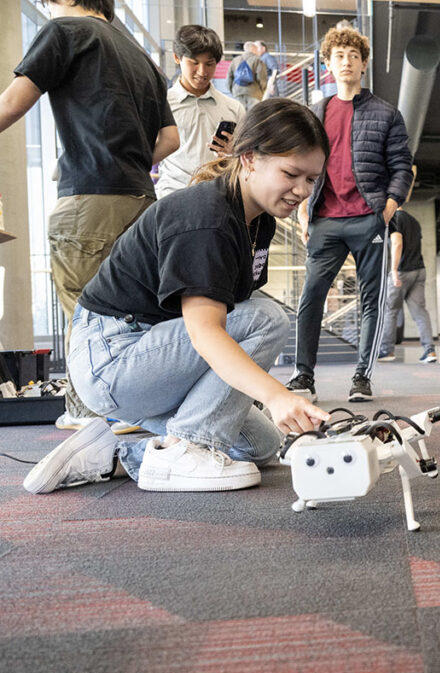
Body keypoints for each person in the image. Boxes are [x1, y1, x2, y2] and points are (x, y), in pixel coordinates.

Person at [22, 99, 331, 495]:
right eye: (291, 174)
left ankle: (112, 454)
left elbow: (223, 320)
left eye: (311, 179)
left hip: (156, 356)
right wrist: (276, 395)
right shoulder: (206, 217)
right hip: (112, 359)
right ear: (250, 158)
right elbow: (206, 332)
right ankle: (184, 448)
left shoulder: (258, 222)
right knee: (267, 317)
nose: (302, 191)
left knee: (260, 445)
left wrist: (258, 399)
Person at [0, 0, 179, 433]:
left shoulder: (65, 31)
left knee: (88, 319)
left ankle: (90, 416)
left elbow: (10, 104)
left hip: (89, 202)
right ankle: (139, 413)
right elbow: (171, 138)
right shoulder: (141, 56)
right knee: (135, 317)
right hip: (140, 200)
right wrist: (125, 162)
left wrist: (96, 163)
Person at [286, 27, 413, 403]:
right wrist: (303, 209)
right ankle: (303, 376)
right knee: (311, 296)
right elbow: (298, 163)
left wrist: (388, 207)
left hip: (368, 218)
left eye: (353, 56)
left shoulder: (386, 113)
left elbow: (402, 166)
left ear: (364, 64)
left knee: (371, 299)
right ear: (327, 64)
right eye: (339, 55)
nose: (347, 61)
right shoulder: (315, 113)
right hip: (325, 218)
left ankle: (362, 376)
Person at [157, 25, 246, 199]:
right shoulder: (162, 103)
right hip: (173, 197)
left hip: (218, 198)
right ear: (177, 58)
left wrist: (232, 153)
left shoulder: (233, 108)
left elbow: (248, 160)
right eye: (194, 63)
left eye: (209, 64)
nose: (202, 72)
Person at [378, 172, 438, 364]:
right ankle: (430, 351)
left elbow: (397, 242)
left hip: (402, 272)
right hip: (419, 270)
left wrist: (394, 269)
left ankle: (387, 351)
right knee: (420, 312)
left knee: (390, 310)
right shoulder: (414, 221)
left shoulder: (394, 218)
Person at [228, 41, 268, 111]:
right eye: (256, 49)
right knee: (253, 117)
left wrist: (233, 90)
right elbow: (262, 78)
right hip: (254, 93)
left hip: (237, 93)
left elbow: (229, 78)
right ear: (253, 49)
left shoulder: (235, 60)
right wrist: (262, 91)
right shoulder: (257, 60)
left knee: (239, 117)